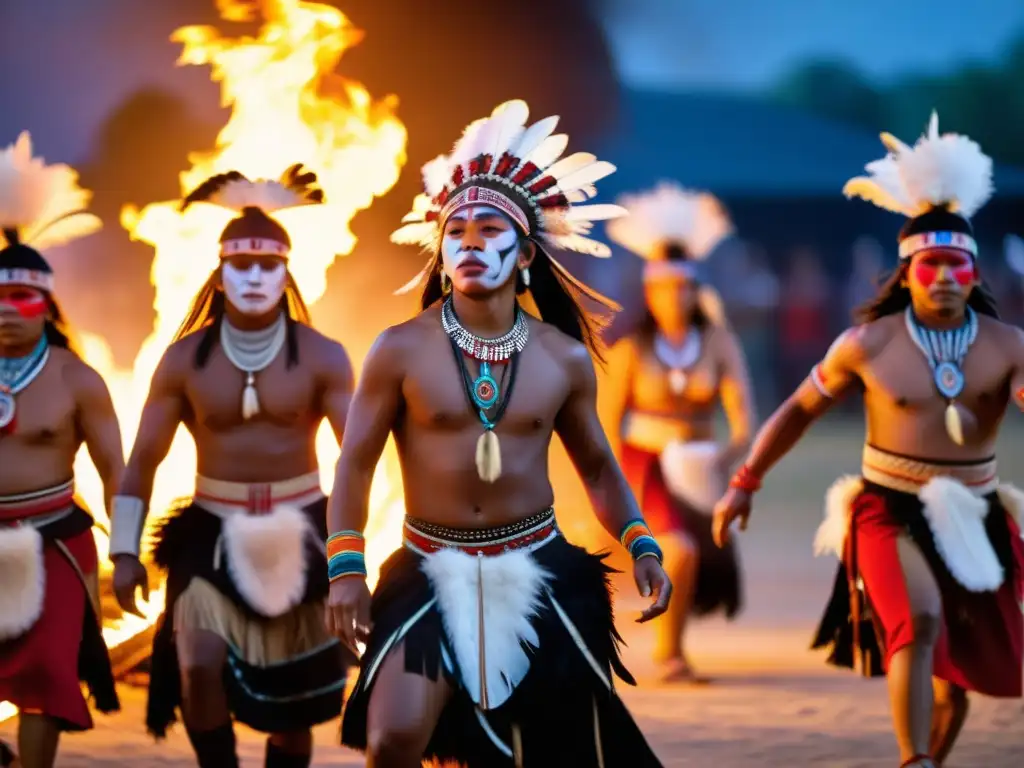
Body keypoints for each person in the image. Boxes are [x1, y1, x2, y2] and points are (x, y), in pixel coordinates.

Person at [328, 99, 671, 767]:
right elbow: (354, 465)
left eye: (491, 229)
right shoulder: (398, 349)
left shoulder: (562, 357)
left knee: (550, 752)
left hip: (539, 567)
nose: (471, 242)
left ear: (524, 256)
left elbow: (598, 466)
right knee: (393, 738)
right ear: (440, 247)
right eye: (456, 229)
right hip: (428, 568)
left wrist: (642, 542)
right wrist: (345, 567)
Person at [712, 113, 1024, 768]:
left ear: (975, 273)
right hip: (888, 510)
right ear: (907, 272)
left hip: (979, 516)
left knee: (953, 690)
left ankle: (927, 755)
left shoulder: (1007, 347)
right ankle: (915, 762)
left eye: (957, 265)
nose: (943, 276)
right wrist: (745, 482)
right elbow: (796, 411)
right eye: (931, 263)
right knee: (920, 619)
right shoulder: (866, 345)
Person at [109, 165, 355, 768]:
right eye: (240, 265)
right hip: (208, 530)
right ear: (218, 274)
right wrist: (121, 551)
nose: (253, 276)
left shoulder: (323, 357)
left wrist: (352, 555)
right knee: (197, 667)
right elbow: (143, 461)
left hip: (303, 528)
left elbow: (359, 460)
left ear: (285, 270)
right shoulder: (183, 361)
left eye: (267, 265)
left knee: (296, 701)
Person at [0, 132, 121, 768]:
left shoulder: (78, 378)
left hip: (55, 541)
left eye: (21, 297)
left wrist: (126, 551)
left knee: (47, 676)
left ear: (46, 304)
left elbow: (117, 472)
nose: (7, 312)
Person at [604, 183, 755, 683]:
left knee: (698, 555)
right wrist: (605, 487)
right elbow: (604, 424)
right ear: (650, 291)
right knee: (679, 550)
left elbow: (743, 419)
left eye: (684, 287)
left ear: (696, 289)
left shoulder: (718, 341)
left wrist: (724, 458)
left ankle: (673, 639)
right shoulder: (631, 349)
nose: (676, 296)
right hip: (643, 463)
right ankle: (670, 654)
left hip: (702, 466)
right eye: (665, 288)